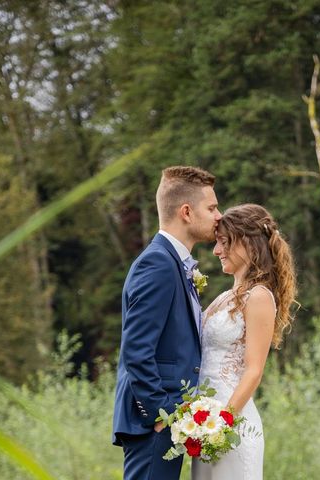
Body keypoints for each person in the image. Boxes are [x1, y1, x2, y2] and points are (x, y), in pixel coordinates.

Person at [112, 166, 222, 480]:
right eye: (211, 207)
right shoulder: (157, 263)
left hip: (167, 423)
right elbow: (136, 350)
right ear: (186, 212)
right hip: (154, 423)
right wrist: (162, 413)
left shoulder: (174, 263)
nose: (218, 215)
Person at [191, 204, 297, 480]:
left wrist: (221, 424)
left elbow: (254, 370)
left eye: (224, 242)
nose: (216, 250)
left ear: (249, 244)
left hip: (231, 426)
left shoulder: (259, 297)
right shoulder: (222, 298)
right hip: (204, 426)